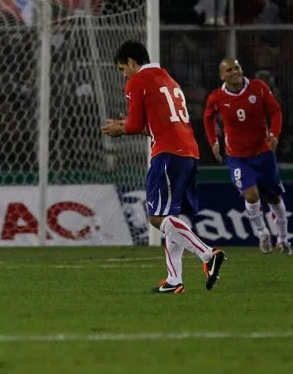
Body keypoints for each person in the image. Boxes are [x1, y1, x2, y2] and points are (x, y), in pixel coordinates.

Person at [102, 41, 226, 294]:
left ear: (132, 62)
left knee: (156, 217)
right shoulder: (168, 79)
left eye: (122, 68)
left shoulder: (137, 81)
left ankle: (207, 254)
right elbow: (158, 124)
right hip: (188, 151)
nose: (124, 75)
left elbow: (134, 126)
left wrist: (120, 128)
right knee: (170, 216)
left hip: (168, 153)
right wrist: (128, 125)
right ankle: (174, 279)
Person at [203, 58, 287, 254]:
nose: (234, 72)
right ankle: (262, 233)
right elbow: (208, 118)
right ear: (222, 76)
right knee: (251, 195)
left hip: (263, 152)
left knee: (274, 197)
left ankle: (283, 239)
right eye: (229, 70)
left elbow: (275, 112)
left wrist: (274, 134)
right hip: (237, 157)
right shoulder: (217, 97)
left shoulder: (258, 88)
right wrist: (213, 141)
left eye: (237, 68)